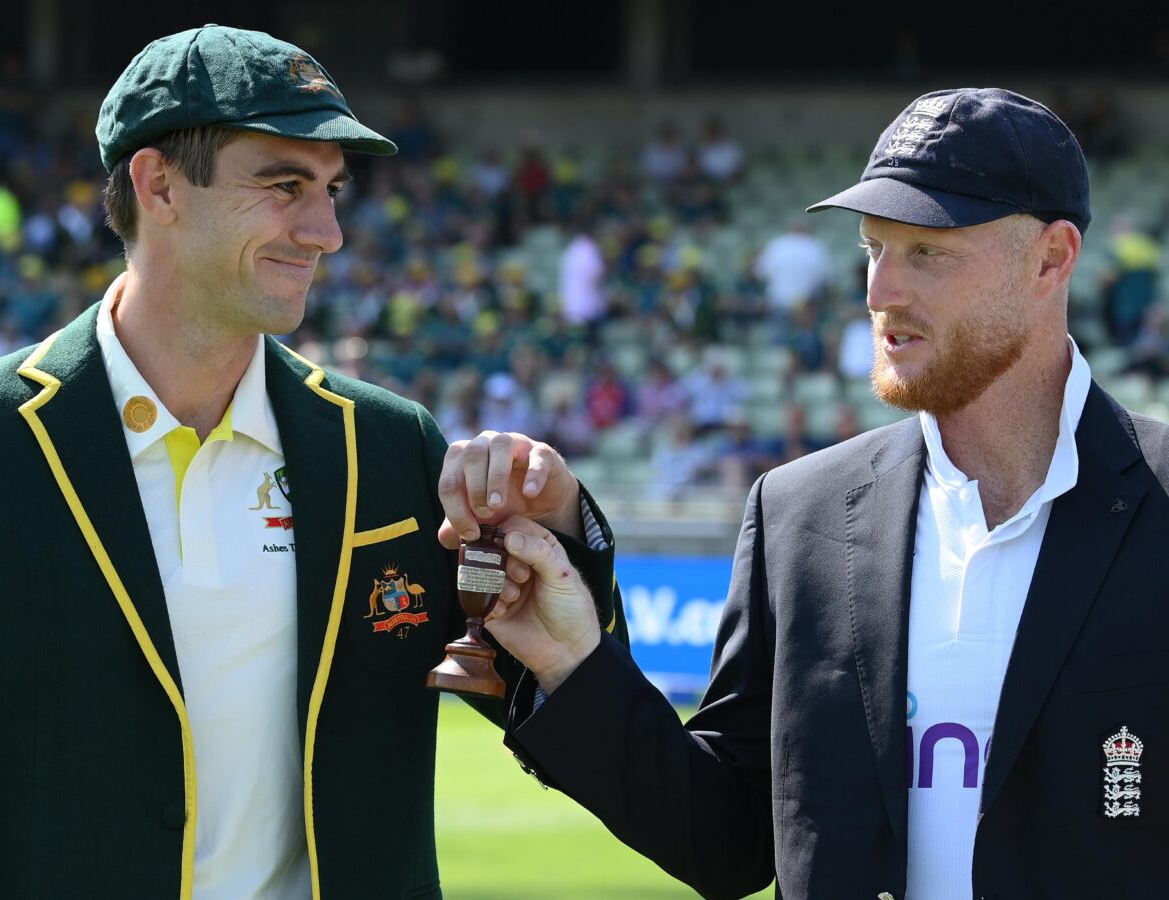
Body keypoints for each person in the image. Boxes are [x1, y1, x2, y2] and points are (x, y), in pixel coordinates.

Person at [0, 25, 625, 899]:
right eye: (285, 186)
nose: (327, 232)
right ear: (158, 184)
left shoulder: (391, 446)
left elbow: (561, 708)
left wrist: (564, 542)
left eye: (332, 190)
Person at [482, 87, 1169, 899]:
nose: (881, 292)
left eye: (927, 252)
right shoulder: (796, 512)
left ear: (1052, 258)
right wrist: (571, 663)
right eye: (874, 249)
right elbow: (729, 838)